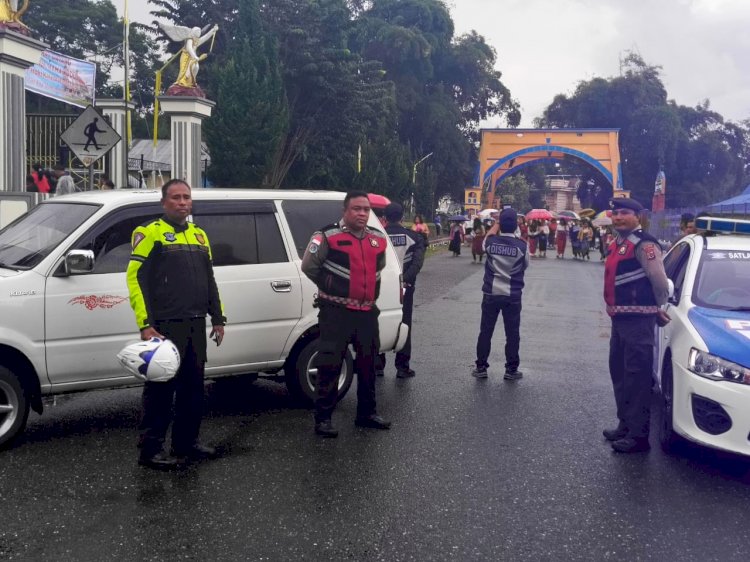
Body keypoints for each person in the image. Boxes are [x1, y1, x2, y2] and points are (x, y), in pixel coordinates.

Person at [126, 179, 226, 469]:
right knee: (160, 390)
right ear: (164, 203)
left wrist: (218, 318)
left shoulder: (199, 236)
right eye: (176, 198)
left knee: (193, 389)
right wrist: (145, 324)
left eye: (187, 197)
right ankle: (150, 450)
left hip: (196, 325)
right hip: (164, 327)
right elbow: (135, 279)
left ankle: (186, 442)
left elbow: (209, 280)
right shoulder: (149, 233)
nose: (182, 202)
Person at [301, 191, 391, 437]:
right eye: (356, 209)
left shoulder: (377, 239)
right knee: (330, 364)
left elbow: (379, 266)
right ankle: (323, 419)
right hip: (336, 311)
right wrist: (330, 285)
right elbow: (309, 266)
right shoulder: (327, 236)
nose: (362, 213)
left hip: (366, 312)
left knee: (369, 363)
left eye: (366, 209)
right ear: (345, 211)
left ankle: (367, 414)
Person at [603, 197, 670, 453]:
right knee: (619, 373)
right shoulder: (618, 243)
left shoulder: (645, 244)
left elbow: (660, 281)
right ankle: (625, 425)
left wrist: (659, 308)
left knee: (637, 377)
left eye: (624, 213)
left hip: (639, 321)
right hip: (619, 320)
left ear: (637, 216)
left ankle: (639, 436)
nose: (618, 217)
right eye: (615, 213)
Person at [472, 208, 530, 380]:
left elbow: (486, 240)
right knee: (512, 333)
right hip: (512, 295)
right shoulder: (522, 246)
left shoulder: (490, 243)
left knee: (486, 332)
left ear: (500, 223)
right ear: (516, 225)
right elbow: (525, 266)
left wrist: (496, 224)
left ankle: (481, 367)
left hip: (491, 293)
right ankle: (511, 370)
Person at [377, 203, 425, 378]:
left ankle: (377, 364)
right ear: (403, 218)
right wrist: (404, 281)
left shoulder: (378, 236)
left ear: (384, 218)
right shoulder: (414, 237)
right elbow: (417, 263)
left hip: (381, 286)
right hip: (406, 287)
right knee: (404, 323)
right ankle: (402, 367)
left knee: (379, 320)